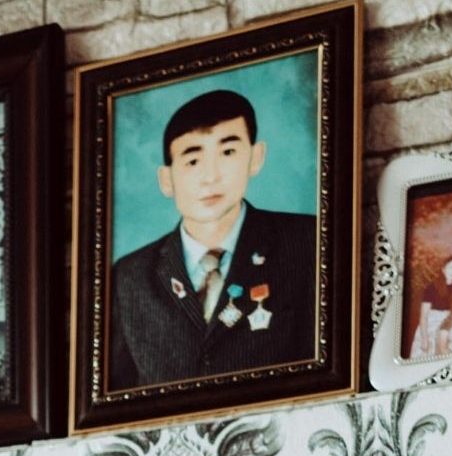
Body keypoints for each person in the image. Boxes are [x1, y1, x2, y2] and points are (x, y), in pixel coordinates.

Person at [107, 89, 318, 390]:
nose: (210, 176)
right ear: (166, 179)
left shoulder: (307, 243)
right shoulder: (130, 277)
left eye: (227, 152)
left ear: (256, 157)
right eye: (193, 161)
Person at [409, 254, 452, 359]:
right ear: (443, 269)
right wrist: (424, 338)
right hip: (431, 325)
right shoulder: (432, 287)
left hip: (449, 325)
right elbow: (424, 315)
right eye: (451, 267)